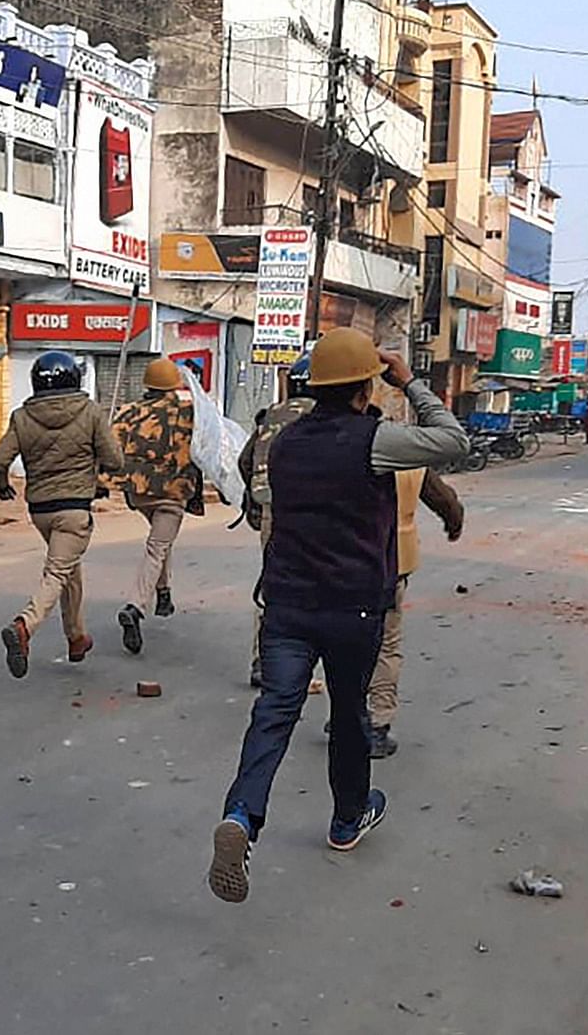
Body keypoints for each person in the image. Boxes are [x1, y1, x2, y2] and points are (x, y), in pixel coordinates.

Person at [207, 329, 468, 904]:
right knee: (349, 714)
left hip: (286, 604)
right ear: (362, 388)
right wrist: (410, 382)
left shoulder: (287, 443)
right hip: (352, 606)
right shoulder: (374, 440)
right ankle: (348, 818)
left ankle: (242, 815)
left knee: (273, 712)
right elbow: (452, 441)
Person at [0, 351, 123, 678]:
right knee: (57, 572)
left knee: (68, 567)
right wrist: (100, 461)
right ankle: (24, 626)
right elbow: (115, 461)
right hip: (74, 508)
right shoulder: (90, 412)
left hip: (41, 510)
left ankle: (76, 637)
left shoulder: (22, 417)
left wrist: (1, 486)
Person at [362, 466, 463, 757]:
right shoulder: (408, 452)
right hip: (392, 563)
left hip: (343, 561)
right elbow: (443, 499)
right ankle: (377, 725)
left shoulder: (339, 441)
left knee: (345, 640)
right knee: (386, 645)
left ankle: (349, 715)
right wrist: (453, 522)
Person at [111, 357, 205, 654]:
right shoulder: (189, 413)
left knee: (161, 542)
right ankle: (135, 607)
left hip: (138, 491)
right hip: (173, 493)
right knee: (157, 547)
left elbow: (110, 447)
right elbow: (207, 446)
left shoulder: (127, 411)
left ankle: (163, 593)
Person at [236, 353, 315, 687]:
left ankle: (262, 660)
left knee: (273, 583)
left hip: (273, 509)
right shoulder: (326, 416)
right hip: (316, 513)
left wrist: (255, 498)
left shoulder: (269, 416)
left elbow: (245, 460)